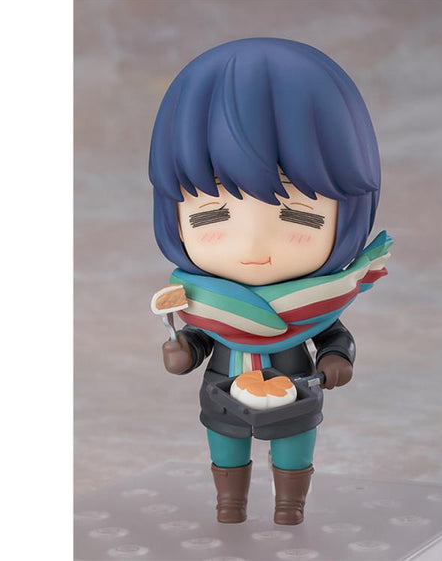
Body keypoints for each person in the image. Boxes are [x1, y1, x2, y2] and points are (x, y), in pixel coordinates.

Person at [148, 37, 391, 525]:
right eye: (212, 215)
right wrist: (185, 350)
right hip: (223, 391)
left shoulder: (318, 305)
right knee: (225, 447)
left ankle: (289, 505)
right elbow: (202, 335)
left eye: (300, 217)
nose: (254, 245)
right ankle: (229, 502)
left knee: (294, 448)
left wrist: (337, 358)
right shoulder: (203, 304)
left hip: (295, 390)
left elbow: (332, 334)